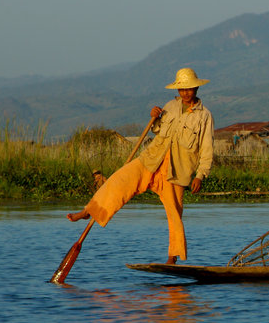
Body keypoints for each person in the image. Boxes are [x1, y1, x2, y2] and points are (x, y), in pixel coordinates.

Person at [68, 68, 214, 264]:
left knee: (174, 214)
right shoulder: (170, 106)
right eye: (182, 89)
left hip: (176, 171)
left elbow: (207, 149)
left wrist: (200, 175)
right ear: (178, 90)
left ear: (196, 88)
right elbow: (158, 129)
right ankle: (89, 211)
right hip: (151, 159)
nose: (186, 92)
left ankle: (173, 256)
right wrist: (154, 117)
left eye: (189, 88)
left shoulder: (204, 116)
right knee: (118, 181)